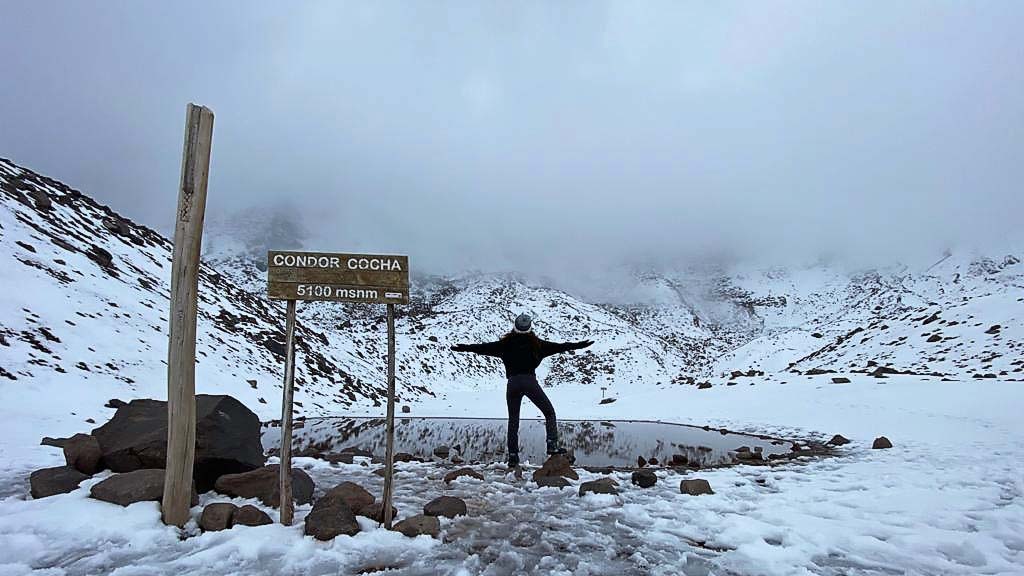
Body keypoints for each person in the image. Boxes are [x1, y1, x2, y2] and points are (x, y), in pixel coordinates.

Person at [450, 313, 594, 467]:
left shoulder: (505, 344)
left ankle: (513, 456)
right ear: (530, 328)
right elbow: (561, 347)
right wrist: (579, 345)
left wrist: (463, 348)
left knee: (513, 420)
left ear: (515, 327)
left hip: (512, 384)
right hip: (530, 382)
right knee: (549, 413)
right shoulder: (538, 345)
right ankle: (552, 446)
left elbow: (482, 348)